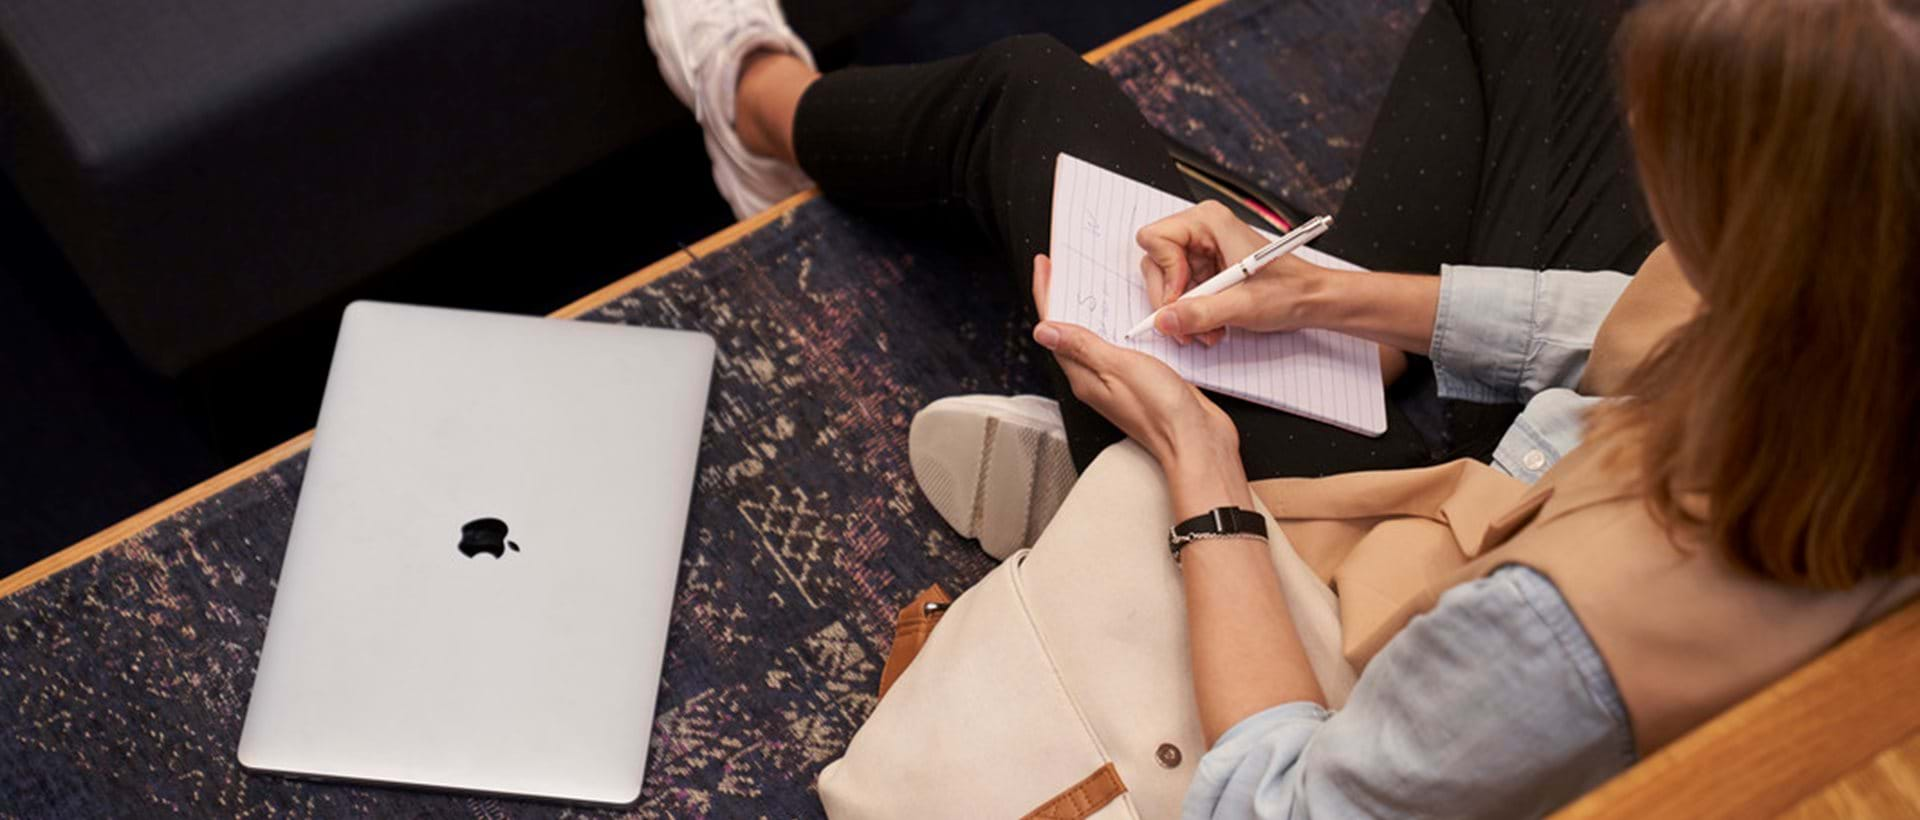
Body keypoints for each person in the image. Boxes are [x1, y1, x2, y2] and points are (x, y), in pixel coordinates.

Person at [646, 0, 1920, 815]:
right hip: (1502, 495)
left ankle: (757, 107)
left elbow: (1269, 804)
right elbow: (1624, 323)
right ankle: (1215, 419)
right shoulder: (1863, 345)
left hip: (1371, 605)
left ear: (1757, 242)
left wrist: (1202, 474)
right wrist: (1355, 307)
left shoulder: (1550, 645)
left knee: (1028, 95)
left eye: (1670, 179)